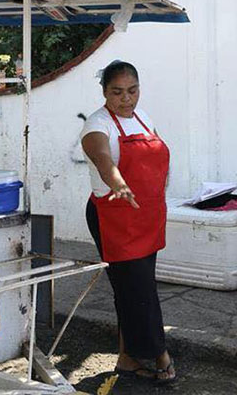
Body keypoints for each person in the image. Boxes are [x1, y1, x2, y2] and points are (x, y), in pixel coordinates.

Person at [80, 61, 177, 384]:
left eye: (132, 91)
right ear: (105, 92)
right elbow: (102, 158)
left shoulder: (143, 118)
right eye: (117, 92)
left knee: (131, 288)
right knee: (140, 290)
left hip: (146, 215)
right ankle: (160, 354)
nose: (126, 99)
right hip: (115, 218)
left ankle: (127, 357)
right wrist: (118, 182)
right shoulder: (97, 125)